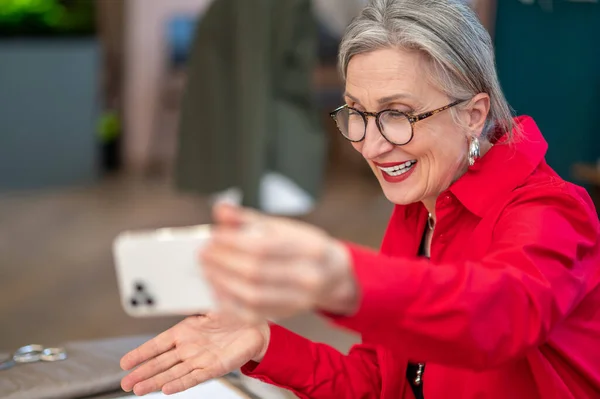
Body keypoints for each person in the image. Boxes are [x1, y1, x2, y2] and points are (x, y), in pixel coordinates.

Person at [119, 0, 600, 397]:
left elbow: (498, 317)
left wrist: (346, 280)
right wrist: (261, 342)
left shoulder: (551, 211)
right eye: (358, 113)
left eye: (398, 114)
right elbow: (381, 385)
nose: (371, 145)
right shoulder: (419, 211)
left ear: (474, 114)